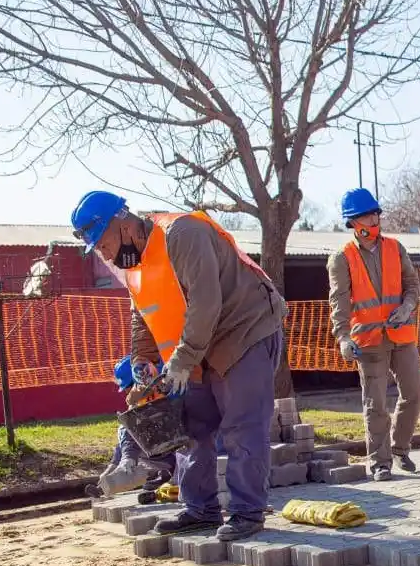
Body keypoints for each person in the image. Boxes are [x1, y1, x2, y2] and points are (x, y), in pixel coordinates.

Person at [71, 191, 287, 541]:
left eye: (103, 243)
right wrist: (142, 357)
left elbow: (206, 302)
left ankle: (247, 511)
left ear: (123, 223)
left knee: (240, 425)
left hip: (243, 331)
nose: (103, 253)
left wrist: (182, 360)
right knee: (190, 425)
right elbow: (141, 314)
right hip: (196, 346)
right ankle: (200, 509)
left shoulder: (182, 234)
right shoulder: (133, 266)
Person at [327, 187, 420, 481]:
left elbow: (413, 287)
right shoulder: (341, 259)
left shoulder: (396, 248)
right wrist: (343, 337)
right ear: (353, 222)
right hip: (368, 342)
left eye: (376, 215)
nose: (374, 221)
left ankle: (399, 447)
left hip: (402, 335)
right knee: (376, 404)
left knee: (414, 394)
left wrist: (407, 307)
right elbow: (338, 302)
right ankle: (380, 462)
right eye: (367, 216)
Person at [89, 355, 176, 498]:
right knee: (127, 429)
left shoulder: (169, 388)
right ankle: (123, 470)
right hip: (167, 450)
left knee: (130, 428)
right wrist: (114, 466)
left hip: (185, 451)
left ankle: (129, 468)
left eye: (128, 386)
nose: (125, 392)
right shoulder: (139, 397)